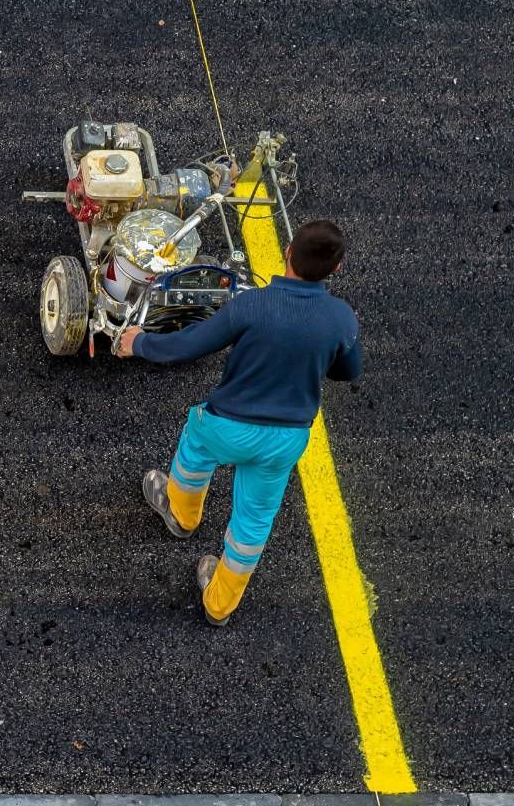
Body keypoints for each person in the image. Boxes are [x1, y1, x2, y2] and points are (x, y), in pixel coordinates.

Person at [114, 220, 362, 626]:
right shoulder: (341, 318)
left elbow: (190, 344)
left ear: (287, 253)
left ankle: (181, 513)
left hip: (226, 426)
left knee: (195, 447)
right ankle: (219, 603)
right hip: (285, 439)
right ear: (336, 269)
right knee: (254, 519)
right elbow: (348, 372)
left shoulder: (252, 305)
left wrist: (138, 342)